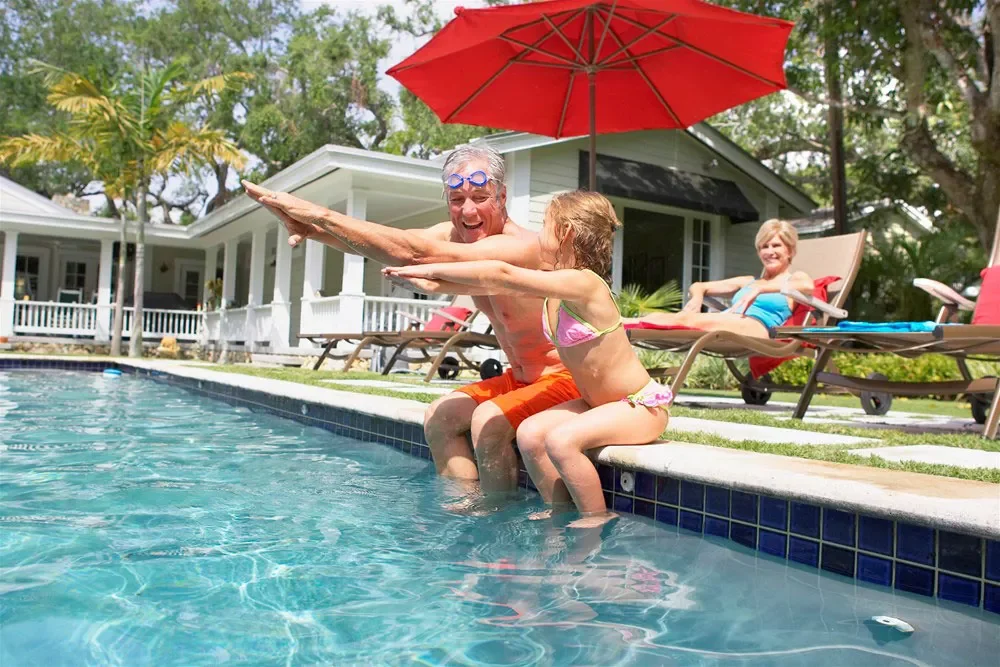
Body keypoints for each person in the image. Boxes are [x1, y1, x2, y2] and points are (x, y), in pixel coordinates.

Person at [241, 145, 578, 501]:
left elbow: (414, 252)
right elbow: (379, 244)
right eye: (457, 198)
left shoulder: (522, 247)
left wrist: (319, 214)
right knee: (439, 418)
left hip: (561, 379)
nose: (468, 210)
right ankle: (462, 511)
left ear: (502, 196)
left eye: (480, 197)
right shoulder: (453, 236)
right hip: (520, 379)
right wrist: (312, 230)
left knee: (488, 424)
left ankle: (497, 526)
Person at [384, 191, 670, 527]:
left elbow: (503, 275)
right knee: (531, 433)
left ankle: (595, 518)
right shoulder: (555, 286)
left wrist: (430, 264)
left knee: (561, 441)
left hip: (637, 405)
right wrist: (433, 283)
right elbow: (497, 284)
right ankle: (558, 513)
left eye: (544, 226)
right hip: (596, 404)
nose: (538, 234)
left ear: (565, 233)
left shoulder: (585, 284)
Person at [624, 219, 814, 337]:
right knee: (681, 318)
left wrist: (762, 289)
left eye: (776, 246)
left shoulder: (794, 278)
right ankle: (622, 324)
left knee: (691, 322)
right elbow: (699, 285)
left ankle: (622, 324)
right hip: (731, 322)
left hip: (758, 327)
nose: (769, 252)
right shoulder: (748, 281)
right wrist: (697, 298)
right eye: (764, 247)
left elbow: (807, 286)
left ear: (790, 250)